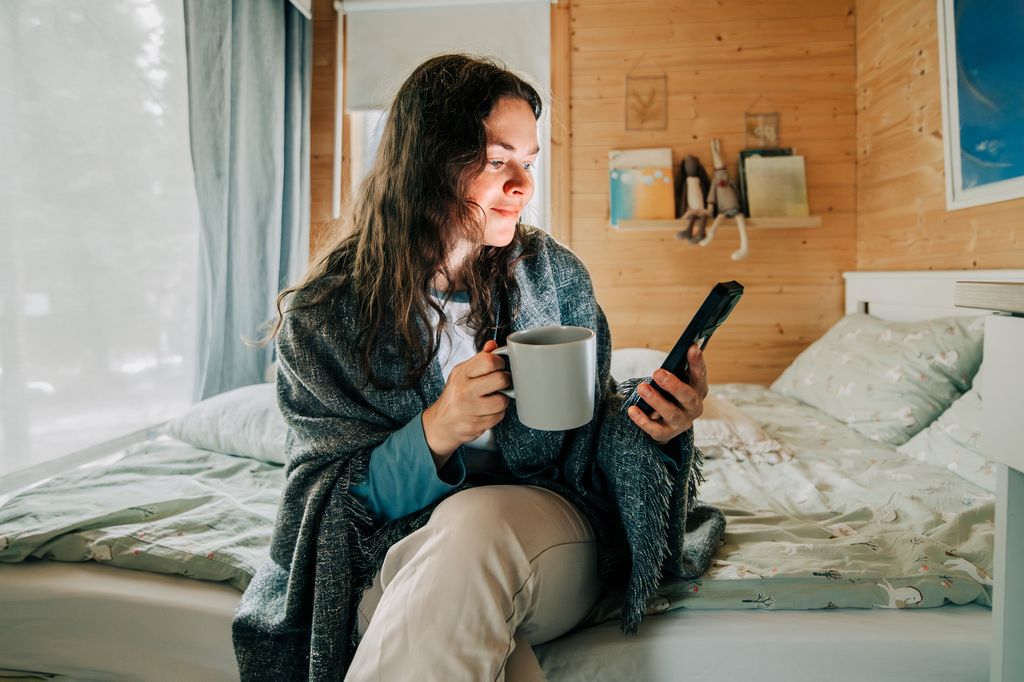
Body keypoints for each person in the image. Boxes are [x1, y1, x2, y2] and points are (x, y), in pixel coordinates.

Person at [233, 53, 724, 681]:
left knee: (476, 522)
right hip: (396, 554)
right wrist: (437, 430)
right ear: (428, 162)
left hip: (550, 532)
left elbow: (594, 428)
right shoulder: (327, 314)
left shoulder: (555, 276)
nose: (523, 184)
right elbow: (320, 501)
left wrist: (656, 423)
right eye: (498, 161)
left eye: (530, 162)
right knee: (443, 608)